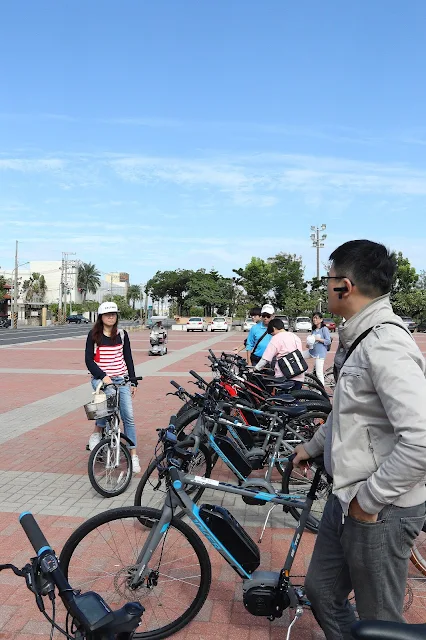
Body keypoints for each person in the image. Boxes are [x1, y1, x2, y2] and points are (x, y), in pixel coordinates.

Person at [293, 240, 426, 639]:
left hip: (378, 509)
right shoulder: (358, 338)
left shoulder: (385, 343)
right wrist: (314, 447)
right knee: (321, 592)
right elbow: (348, 413)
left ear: (345, 285)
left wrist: (369, 501)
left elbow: (421, 438)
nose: (326, 287)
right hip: (345, 497)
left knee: (380, 620)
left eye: (328, 280)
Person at [85, 301, 141, 473]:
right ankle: (97, 431)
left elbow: (128, 358)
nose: (111, 317)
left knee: (128, 417)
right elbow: (89, 361)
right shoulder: (94, 335)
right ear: (101, 317)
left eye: (113, 314)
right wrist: (104, 377)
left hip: (122, 380)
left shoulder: (122, 335)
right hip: (102, 380)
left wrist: (133, 381)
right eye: (107, 314)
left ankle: (133, 455)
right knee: (108, 402)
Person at [254, 317, 305, 389]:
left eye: (272, 333)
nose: (272, 335)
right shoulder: (295, 336)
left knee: (283, 398)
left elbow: (266, 358)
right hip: (299, 374)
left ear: (274, 328)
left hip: (284, 376)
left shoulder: (276, 338)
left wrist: (255, 369)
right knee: (295, 397)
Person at [306, 312, 331, 387]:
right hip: (312, 351)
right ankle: (305, 374)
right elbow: (312, 341)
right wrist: (308, 344)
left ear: (321, 319)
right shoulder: (314, 329)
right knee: (299, 355)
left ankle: (322, 392)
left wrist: (318, 339)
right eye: (313, 318)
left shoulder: (324, 329)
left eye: (316, 318)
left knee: (319, 373)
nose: (314, 319)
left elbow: (328, 341)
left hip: (320, 354)